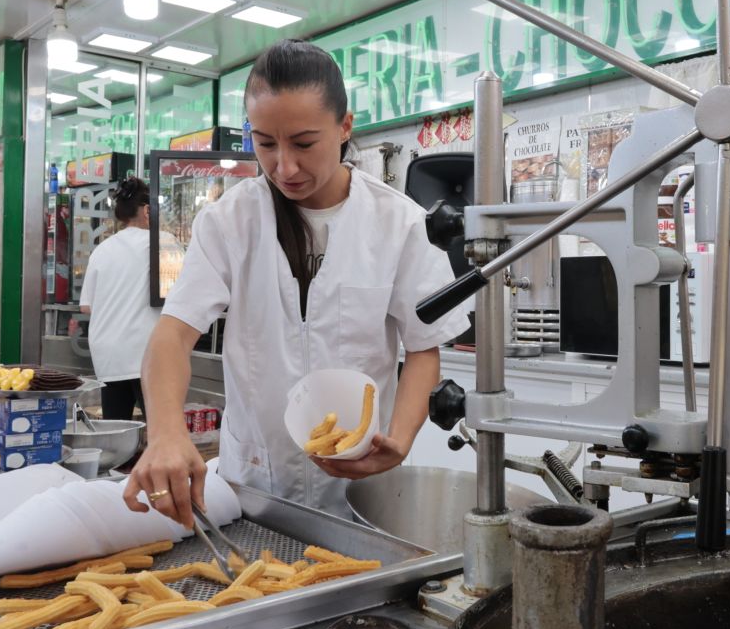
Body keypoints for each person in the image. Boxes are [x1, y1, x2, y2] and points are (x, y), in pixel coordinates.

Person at [121, 40, 469, 525]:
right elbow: (173, 334)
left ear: (344, 127)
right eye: (265, 143)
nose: (284, 166)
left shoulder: (400, 223)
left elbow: (424, 347)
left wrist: (401, 439)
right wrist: (164, 432)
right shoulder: (230, 221)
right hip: (252, 491)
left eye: (303, 143)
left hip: (358, 492)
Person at [79, 175, 159, 422]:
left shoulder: (102, 250)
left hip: (107, 354)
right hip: (146, 352)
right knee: (159, 430)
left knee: (115, 430)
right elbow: (181, 295)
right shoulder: (161, 243)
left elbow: (86, 306)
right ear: (147, 210)